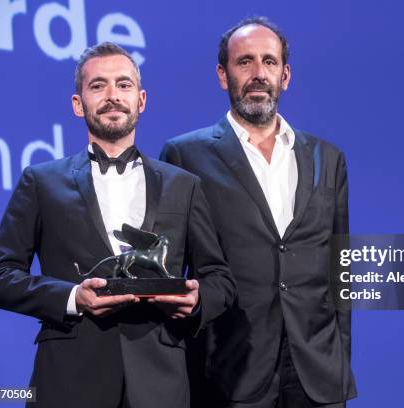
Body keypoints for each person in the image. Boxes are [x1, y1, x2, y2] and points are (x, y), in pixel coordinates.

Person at [0, 42, 235, 408]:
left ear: (142, 99)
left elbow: (219, 278)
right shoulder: (40, 182)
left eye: (123, 84)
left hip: (160, 384)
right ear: (78, 103)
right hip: (69, 381)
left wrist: (196, 300)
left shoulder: (184, 185)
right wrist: (73, 298)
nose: (112, 95)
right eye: (98, 86)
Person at [160, 17, 356, 408]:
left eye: (269, 62)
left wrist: (339, 359)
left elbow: (340, 270)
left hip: (317, 374)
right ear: (222, 74)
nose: (258, 73)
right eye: (244, 62)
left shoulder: (327, 157)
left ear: (286, 75)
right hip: (228, 371)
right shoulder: (185, 155)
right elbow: (170, 275)